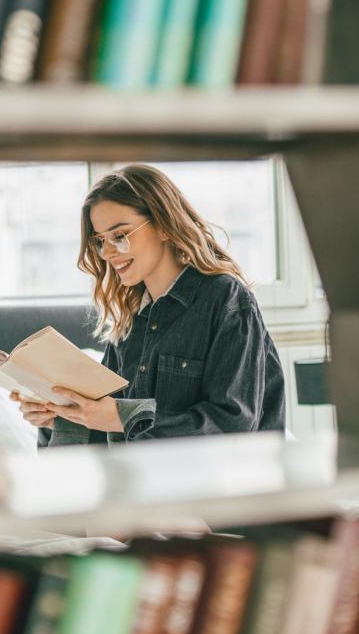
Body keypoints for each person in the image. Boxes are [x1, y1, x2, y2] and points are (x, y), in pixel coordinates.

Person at [14, 164, 287, 445]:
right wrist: (61, 415)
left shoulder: (225, 298)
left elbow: (234, 422)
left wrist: (124, 416)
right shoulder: (129, 320)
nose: (107, 253)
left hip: (215, 483)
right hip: (138, 481)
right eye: (100, 241)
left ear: (164, 225)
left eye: (119, 235)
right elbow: (106, 429)